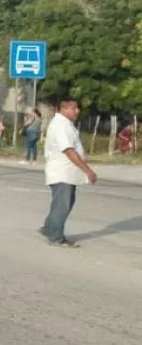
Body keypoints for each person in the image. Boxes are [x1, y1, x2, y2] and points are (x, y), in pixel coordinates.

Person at [41, 99, 97, 247]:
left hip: (67, 173)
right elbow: (68, 150)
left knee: (64, 203)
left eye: (77, 108)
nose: (77, 111)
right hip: (62, 172)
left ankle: (49, 228)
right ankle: (56, 237)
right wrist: (88, 170)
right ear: (64, 109)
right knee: (63, 204)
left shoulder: (66, 124)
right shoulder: (60, 125)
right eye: (74, 108)